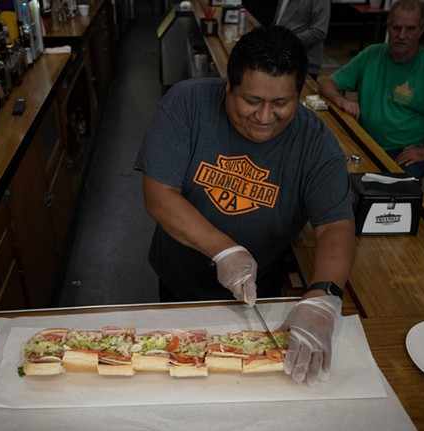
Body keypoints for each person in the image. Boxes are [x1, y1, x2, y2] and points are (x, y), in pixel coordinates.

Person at [134, 25, 355, 386]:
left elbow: (335, 225)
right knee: (179, 373)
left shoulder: (316, 143)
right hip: (178, 280)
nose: (265, 117)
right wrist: (224, 250)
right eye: (252, 101)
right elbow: (159, 195)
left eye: (281, 103)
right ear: (228, 86)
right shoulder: (187, 104)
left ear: (300, 94)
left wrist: (322, 297)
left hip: (257, 298)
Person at [318, 0, 424, 180]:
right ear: (388, 27)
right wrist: (342, 100)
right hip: (364, 140)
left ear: (421, 30)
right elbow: (325, 81)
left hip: (402, 153)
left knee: (394, 200)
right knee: (326, 174)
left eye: (410, 29)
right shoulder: (372, 54)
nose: (401, 35)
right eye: (396, 28)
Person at [274, 0, 331, 80]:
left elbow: (320, 32)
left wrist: (286, 41)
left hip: (302, 64)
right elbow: (278, 21)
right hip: (280, 58)